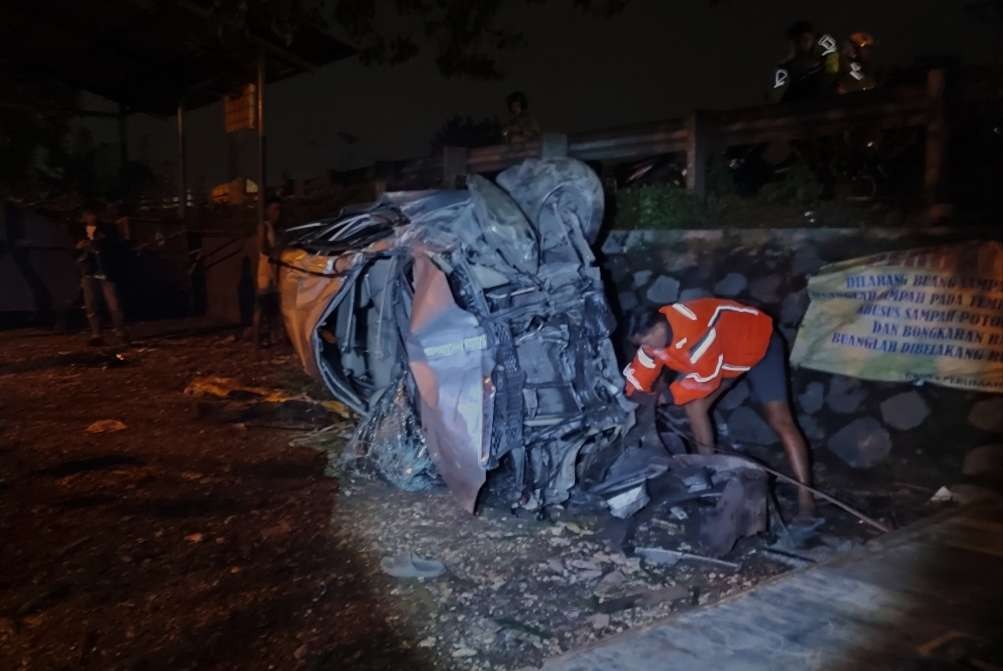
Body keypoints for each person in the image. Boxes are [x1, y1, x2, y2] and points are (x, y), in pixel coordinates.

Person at [624, 298, 817, 523]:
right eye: (640, 345)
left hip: (758, 346)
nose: (646, 349)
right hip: (724, 358)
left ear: (658, 328)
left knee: (781, 421)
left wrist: (665, 397)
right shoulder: (651, 339)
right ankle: (707, 477)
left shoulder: (696, 331)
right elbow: (642, 369)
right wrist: (634, 393)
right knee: (695, 408)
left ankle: (807, 500)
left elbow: (704, 380)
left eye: (647, 343)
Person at [75, 208, 129, 346]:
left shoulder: (108, 229)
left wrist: (99, 245)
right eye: (87, 215)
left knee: (113, 303)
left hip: (106, 269)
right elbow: (75, 248)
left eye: (91, 214)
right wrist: (82, 247)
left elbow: (116, 246)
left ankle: (120, 332)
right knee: (92, 303)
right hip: (90, 269)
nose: (89, 217)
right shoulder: (80, 229)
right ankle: (96, 334)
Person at [769, 21, 840, 103]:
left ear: (813, 40)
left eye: (805, 39)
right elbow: (775, 96)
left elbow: (832, 77)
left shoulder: (825, 63)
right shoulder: (784, 69)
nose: (802, 44)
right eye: (797, 41)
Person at [253, 196, 284, 347]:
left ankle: (273, 337)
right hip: (266, 267)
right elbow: (262, 249)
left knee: (273, 305)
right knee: (262, 304)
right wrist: (275, 251)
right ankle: (256, 340)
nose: (277, 213)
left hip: (273, 267)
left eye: (279, 210)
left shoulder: (275, 228)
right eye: (274, 209)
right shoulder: (264, 227)